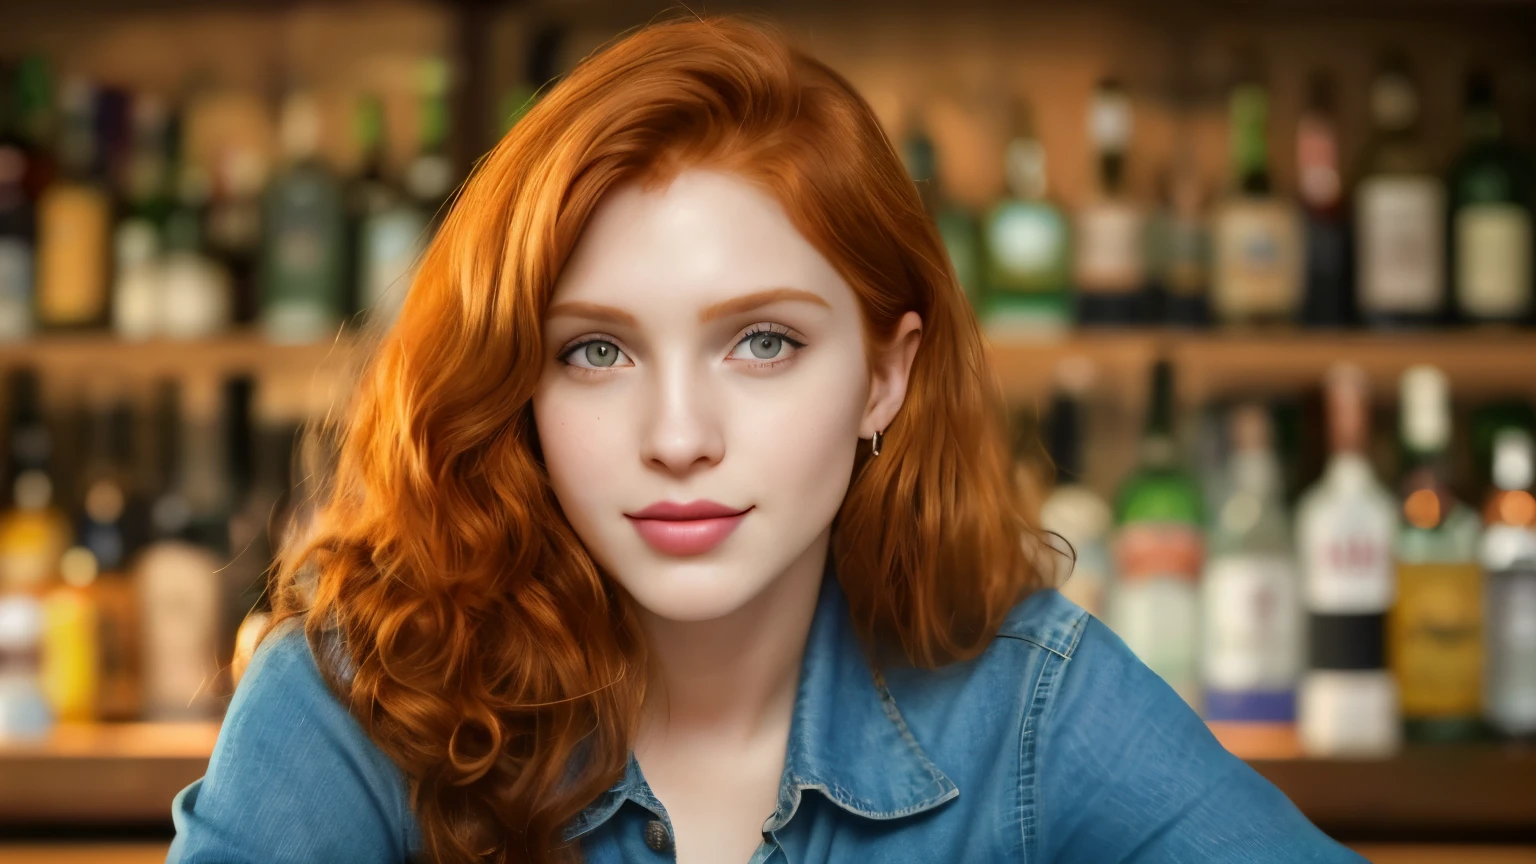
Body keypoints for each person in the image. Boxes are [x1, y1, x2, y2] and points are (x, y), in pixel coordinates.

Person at [167, 15, 1366, 864]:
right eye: (596, 350)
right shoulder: (357, 699)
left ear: (884, 377)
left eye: (764, 344)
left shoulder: (1029, 706)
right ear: (516, 384)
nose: (678, 438)